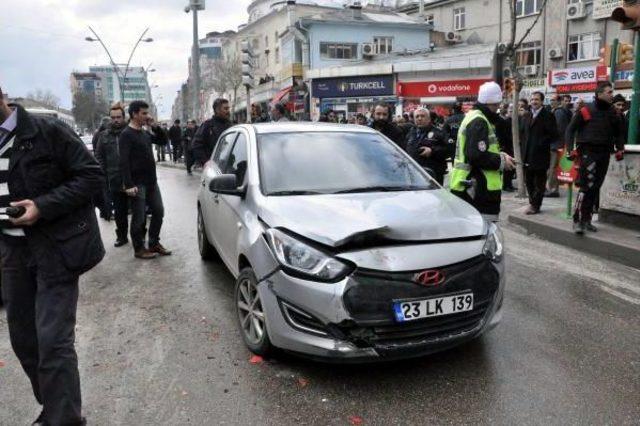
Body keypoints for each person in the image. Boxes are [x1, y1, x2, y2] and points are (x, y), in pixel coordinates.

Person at [0, 86, 105, 425]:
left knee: (53, 342)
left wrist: (42, 207)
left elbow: (91, 175)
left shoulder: (47, 131)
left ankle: (63, 420)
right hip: (11, 252)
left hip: (55, 248)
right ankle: (57, 408)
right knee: (24, 341)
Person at [449, 82, 516, 221]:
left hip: (472, 186)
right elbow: (476, 155)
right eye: (497, 105)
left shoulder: (475, 117)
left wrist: (500, 155)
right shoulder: (479, 121)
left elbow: (480, 150)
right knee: (482, 232)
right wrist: (501, 161)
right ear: (490, 102)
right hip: (477, 189)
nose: (498, 108)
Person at [565, 82, 625, 234]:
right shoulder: (586, 110)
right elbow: (570, 130)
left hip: (604, 154)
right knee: (586, 187)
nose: (612, 94)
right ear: (600, 94)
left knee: (595, 187)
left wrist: (620, 148)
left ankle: (587, 220)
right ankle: (577, 220)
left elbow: (619, 132)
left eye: (612, 92)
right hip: (588, 154)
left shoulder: (613, 112)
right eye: (609, 92)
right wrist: (570, 150)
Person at [119, 100, 172, 259]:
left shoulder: (144, 132)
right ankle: (139, 249)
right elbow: (124, 161)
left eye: (147, 113)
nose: (147, 116)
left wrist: (154, 126)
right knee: (139, 217)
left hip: (151, 181)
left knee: (158, 211)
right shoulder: (126, 135)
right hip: (137, 184)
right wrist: (128, 184)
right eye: (144, 113)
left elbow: (163, 140)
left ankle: (154, 242)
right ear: (134, 114)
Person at [95, 103, 129, 247]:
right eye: (113, 117)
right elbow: (99, 156)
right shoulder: (103, 136)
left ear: (123, 117)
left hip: (133, 179)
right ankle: (121, 236)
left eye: (118, 117)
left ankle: (140, 235)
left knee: (139, 211)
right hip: (114, 180)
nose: (116, 120)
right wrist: (103, 175)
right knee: (120, 212)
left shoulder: (131, 132)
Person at [521, 92, 558, 214]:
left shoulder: (548, 116)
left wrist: (541, 143)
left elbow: (554, 135)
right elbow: (522, 133)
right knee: (529, 181)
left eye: (536, 99)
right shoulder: (526, 115)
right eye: (532, 99)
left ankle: (536, 205)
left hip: (540, 155)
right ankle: (533, 202)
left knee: (539, 182)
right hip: (527, 155)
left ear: (542, 101)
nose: (533, 102)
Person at [405, 108, 448, 184]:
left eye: (422, 116)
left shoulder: (438, 133)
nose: (419, 118)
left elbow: (447, 149)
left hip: (433, 175)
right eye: (417, 116)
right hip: (414, 174)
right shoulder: (411, 133)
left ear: (429, 119)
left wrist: (432, 151)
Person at [546, 94, 573, 198]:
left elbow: (559, 129)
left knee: (553, 168)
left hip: (555, 144)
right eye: (550, 100)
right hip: (556, 144)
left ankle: (553, 190)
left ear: (559, 101)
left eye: (553, 100)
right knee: (552, 167)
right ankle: (552, 188)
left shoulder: (558, 112)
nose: (551, 102)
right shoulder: (557, 111)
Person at [192, 98, 232, 166]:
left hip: (229, 165)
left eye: (228, 108)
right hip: (214, 167)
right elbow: (196, 145)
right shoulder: (207, 125)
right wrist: (206, 162)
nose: (228, 111)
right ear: (217, 110)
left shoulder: (231, 126)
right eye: (225, 109)